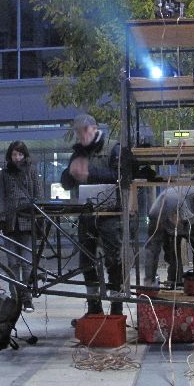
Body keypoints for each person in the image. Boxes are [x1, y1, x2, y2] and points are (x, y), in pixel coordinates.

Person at [60, 114, 123, 318]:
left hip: (110, 213)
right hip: (86, 214)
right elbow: (66, 183)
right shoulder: (78, 153)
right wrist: (70, 173)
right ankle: (94, 308)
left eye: (84, 132)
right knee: (86, 261)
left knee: (113, 260)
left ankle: (117, 308)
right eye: (78, 134)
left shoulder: (113, 148)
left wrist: (89, 174)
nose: (81, 137)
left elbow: (120, 177)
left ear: (95, 128)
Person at [0, 141, 42, 313]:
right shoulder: (5, 173)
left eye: (20, 154)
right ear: (10, 155)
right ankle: (16, 297)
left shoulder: (32, 171)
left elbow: (38, 195)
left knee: (27, 262)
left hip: (28, 221)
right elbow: (0, 197)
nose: (17, 157)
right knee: (12, 263)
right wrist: (0, 220)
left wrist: (39, 219)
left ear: (25, 155)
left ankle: (27, 298)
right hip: (10, 222)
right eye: (14, 154)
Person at [144, 186, 194, 286]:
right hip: (169, 229)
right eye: (173, 219)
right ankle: (175, 284)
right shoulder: (156, 215)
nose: (177, 223)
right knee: (172, 256)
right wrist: (149, 278)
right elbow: (152, 249)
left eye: (179, 219)